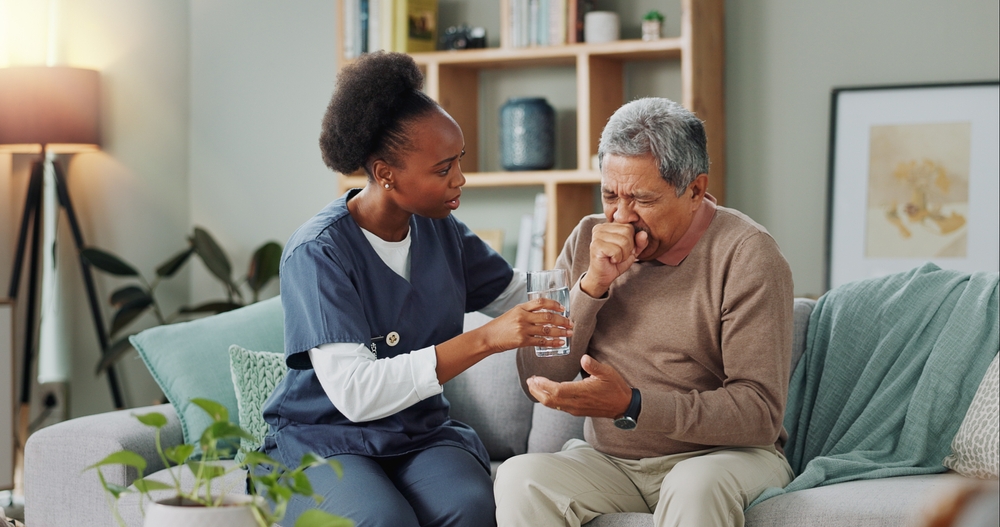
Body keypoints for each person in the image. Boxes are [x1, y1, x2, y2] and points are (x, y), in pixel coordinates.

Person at [260, 51, 572, 527]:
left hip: (417, 434)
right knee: (381, 520)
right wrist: (485, 339)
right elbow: (356, 394)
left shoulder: (441, 230)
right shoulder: (318, 253)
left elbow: (517, 295)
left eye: (459, 161)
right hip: (325, 438)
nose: (460, 179)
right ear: (385, 173)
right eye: (443, 168)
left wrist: (599, 271)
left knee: (472, 507)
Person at [494, 97, 796, 527]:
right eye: (610, 195)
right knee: (520, 477)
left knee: (693, 486)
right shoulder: (584, 239)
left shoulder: (747, 254)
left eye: (642, 199)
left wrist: (633, 405)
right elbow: (537, 376)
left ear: (694, 190)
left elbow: (759, 413)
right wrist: (591, 286)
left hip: (724, 458)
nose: (621, 216)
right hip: (611, 462)